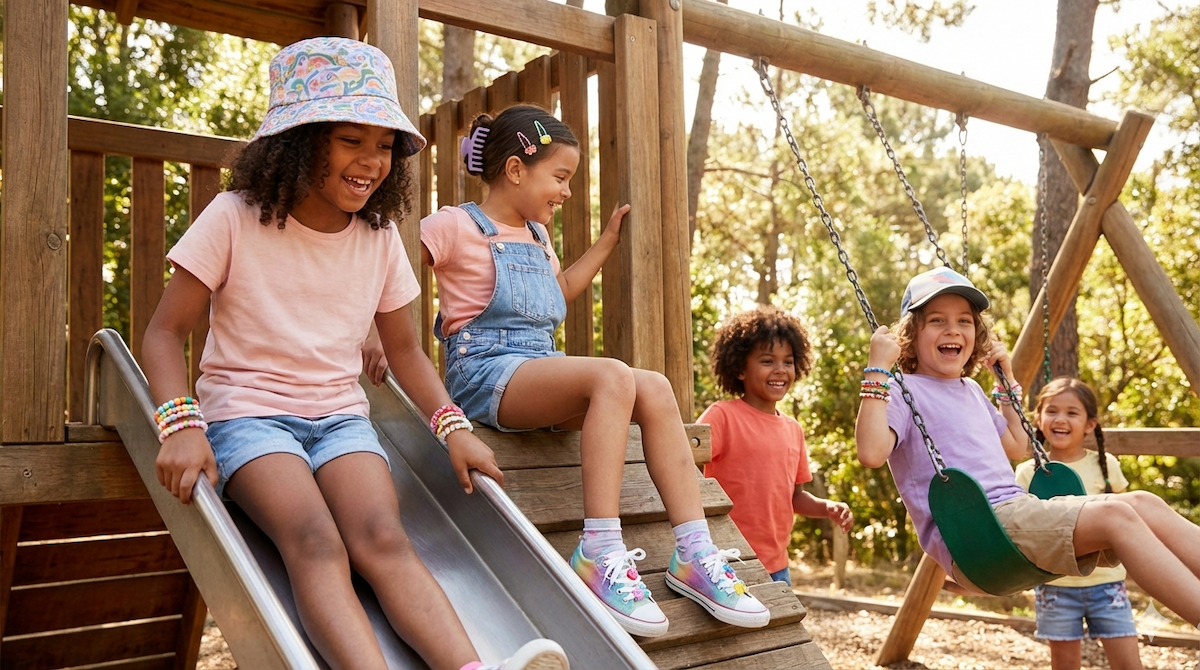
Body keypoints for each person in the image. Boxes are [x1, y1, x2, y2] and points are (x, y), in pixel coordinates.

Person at [142, 37, 567, 670]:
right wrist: (180, 425)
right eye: (350, 140)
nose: (371, 161)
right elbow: (162, 332)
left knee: (384, 540)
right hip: (249, 417)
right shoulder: (235, 217)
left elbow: (405, 351)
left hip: (340, 419)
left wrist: (452, 429)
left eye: (385, 144)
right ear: (299, 141)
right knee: (316, 542)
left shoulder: (378, 237)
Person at [419, 104, 769, 637]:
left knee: (650, 384)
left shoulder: (537, 238)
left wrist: (605, 244)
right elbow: (388, 269)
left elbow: (556, 295)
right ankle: (598, 549)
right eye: (559, 178)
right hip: (484, 372)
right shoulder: (453, 225)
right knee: (613, 374)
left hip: (539, 368)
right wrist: (376, 337)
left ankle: (693, 552)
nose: (565, 192)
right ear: (515, 170)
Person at [854, 266, 1200, 629]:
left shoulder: (970, 390)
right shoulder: (900, 389)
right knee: (1117, 517)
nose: (953, 329)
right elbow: (872, 453)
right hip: (979, 534)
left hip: (1020, 512)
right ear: (910, 335)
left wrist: (1007, 384)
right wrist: (877, 369)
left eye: (964, 321)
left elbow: (1018, 446)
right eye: (936, 320)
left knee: (1144, 502)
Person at [698, 306, 852, 586]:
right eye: (767, 361)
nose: (780, 370)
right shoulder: (722, 416)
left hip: (777, 567)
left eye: (788, 362)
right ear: (740, 368)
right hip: (726, 561)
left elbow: (795, 497)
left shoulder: (793, 429)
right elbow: (685, 470)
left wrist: (827, 508)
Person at [1015, 378, 1143, 670]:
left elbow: (1128, 522)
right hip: (1055, 587)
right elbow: (1021, 530)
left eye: (1072, 413)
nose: (1060, 419)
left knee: (1129, 664)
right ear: (1038, 418)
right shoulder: (1027, 473)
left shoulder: (1105, 465)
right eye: (1052, 411)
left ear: (1090, 424)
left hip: (1106, 585)